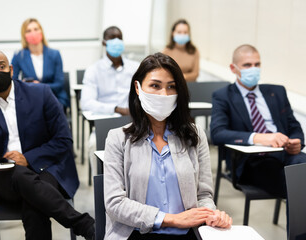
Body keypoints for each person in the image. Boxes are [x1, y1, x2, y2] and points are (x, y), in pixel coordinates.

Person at [0, 49, 94, 240]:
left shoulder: (40, 93)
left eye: (1, 66)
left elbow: (63, 140)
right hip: (5, 177)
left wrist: (28, 158)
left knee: (35, 204)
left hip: (46, 168)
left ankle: (84, 224)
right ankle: (83, 224)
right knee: (20, 175)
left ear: (10, 69)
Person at [104, 53, 232, 240]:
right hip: (137, 232)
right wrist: (171, 219)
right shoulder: (117, 139)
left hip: (188, 233)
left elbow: (204, 195)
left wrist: (212, 215)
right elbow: (115, 203)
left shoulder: (194, 135)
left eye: (171, 87)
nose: (164, 94)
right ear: (138, 88)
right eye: (155, 86)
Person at [210, 44, 306, 198]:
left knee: (302, 166)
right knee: (297, 185)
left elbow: (294, 126)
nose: (253, 69)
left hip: (284, 153)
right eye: (247, 65)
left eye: (257, 64)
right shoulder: (223, 96)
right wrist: (259, 137)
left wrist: (297, 142)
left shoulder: (277, 92)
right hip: (252, 160)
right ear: (233, 68)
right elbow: (217, 133)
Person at [11, 18, 69, 109]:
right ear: (24, 35)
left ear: (41, 31)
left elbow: (59, 84)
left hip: (54, 97)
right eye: (28, 31)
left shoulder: (55, 54)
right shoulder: (19, 56)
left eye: (36, 29)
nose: (33, 33)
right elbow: (12, 81)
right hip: (30, 98)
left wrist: (39, 86)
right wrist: (24, 85)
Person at [80, 26, 139, 115]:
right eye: (112, 38)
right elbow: (86, 103)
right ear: (104, 42)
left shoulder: (135, 67)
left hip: (133, 119)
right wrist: (116, 109)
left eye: (119, 38)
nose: (116, 41)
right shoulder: (93, 70)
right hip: (105, 118)